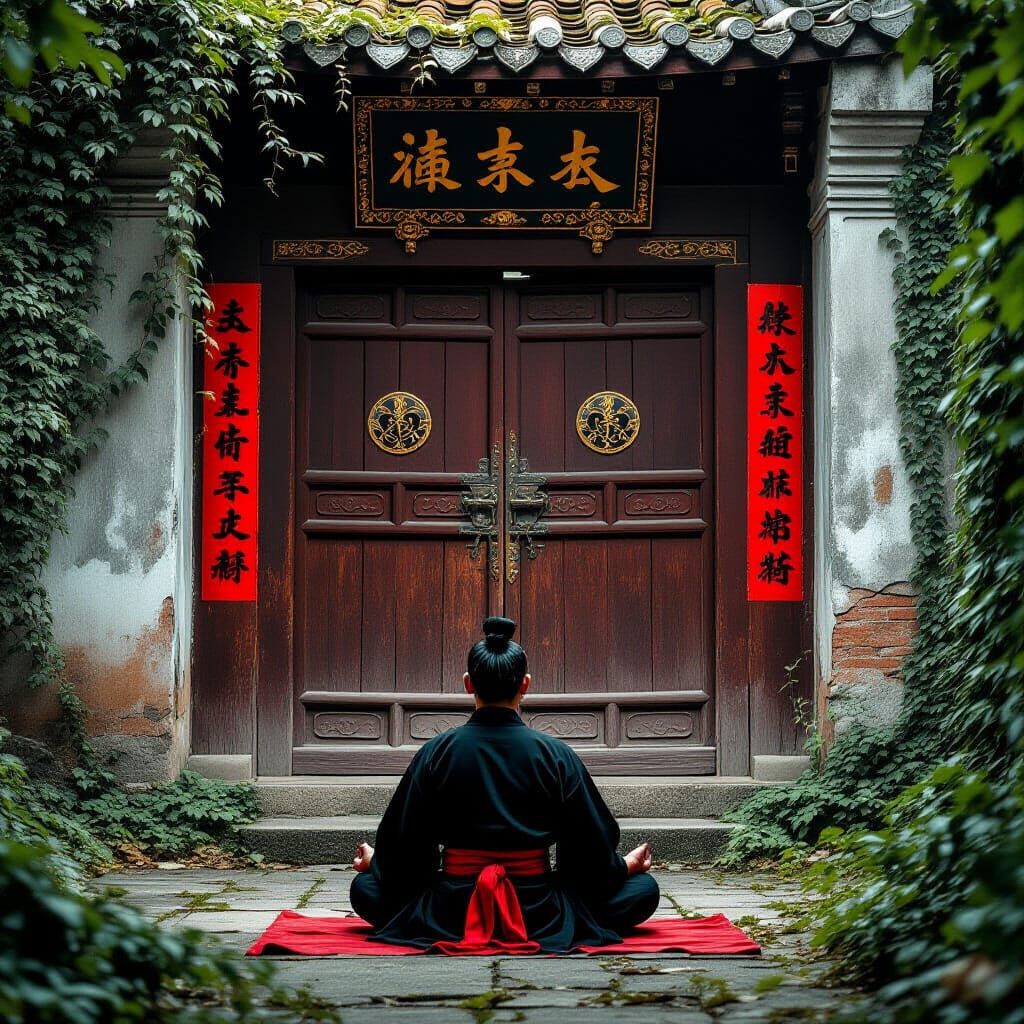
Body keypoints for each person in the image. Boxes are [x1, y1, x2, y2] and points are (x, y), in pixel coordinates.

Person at [349, 616, 659, 952]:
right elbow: (589, 853)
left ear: (468, 683)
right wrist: (625, 866)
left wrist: (377, 864)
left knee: (365, 889)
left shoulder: (435, 753)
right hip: (539, 910)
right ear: (525, 684)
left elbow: (404, 848)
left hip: (451, 909)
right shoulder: (556, 755)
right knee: (643, 890)